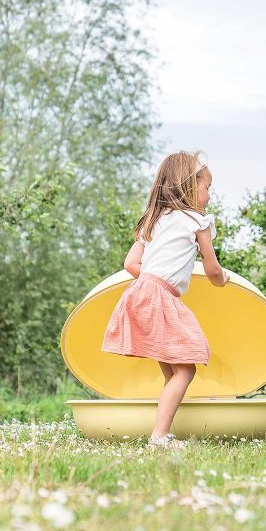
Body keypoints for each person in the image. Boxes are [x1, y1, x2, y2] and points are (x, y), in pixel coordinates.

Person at [102, 151, 230, 449]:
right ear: (189, 186)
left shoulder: (155, 219)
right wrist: (222, 279)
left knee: (173, 370)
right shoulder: (198, 222)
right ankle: (158, 437)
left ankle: (163, 432)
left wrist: (153, 278)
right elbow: (212, 269)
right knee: (187, 367)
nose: (209, 195)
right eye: (206, 187)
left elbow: (131, 264)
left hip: (140, 294)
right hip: (159, 297)